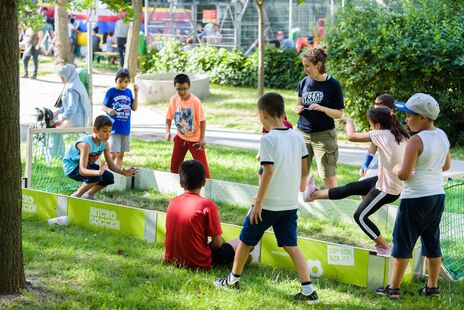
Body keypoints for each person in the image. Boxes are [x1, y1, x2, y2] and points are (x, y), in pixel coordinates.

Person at [214, 93, 319, 305]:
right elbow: (304, 164)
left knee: (244, 241)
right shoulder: (297, 137)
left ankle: (233, 281)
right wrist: (301, 185)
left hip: (267, 205)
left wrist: (258, 204)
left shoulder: (268, 139)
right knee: (291, 245)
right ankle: (308, 291)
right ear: (282, 112)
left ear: (263, 114)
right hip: (289, 205)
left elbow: (267, 173)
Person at [376, 93, 451, 299]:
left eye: (410, 115)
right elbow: (446, 165)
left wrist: (397, 167)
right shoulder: (442, 135)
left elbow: (405, 175)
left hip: (415, 198)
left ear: (423, 118)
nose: (406, 119)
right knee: (431, 242)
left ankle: (393, 289)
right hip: (437, 195)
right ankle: (432, 287)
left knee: (402, 243)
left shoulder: (416, 140)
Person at [305, 107, 409, 255]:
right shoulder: (400, 134)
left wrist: (348, 121)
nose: (370, 128)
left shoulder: (381, 134)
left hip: (387, 190)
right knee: (350, 188)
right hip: (382, 181)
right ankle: (313, 195)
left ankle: (385, 247)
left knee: (360, 216)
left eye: (371, 125)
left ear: (378, 126)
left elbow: (351, 136)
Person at [165, 160, 240, 269]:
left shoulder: (173, 202)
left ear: (181, 183)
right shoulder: (207, 205)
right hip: (198, 262)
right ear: (204, 182)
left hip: (171, 259)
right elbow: (217, 244)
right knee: (245, 243)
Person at [295, 47, 344, 189]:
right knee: (300, 173)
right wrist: (297, 109)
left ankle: (334, 209)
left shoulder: (333, 85)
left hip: (324, 136)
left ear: (318, 65)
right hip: (302, 134)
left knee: (327, 176)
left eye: (307, 66)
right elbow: (298, 105)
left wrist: (322, 108)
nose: (305, 69)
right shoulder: (304, 82)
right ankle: (299, 206)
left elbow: (339, 113)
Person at [63, 115, 138, 200]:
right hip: (72, 168)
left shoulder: (105, 144)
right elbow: (82, 170)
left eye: (110, 131)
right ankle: (76, 196)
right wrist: (97, 173)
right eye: (105, 131)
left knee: (109, 177)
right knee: (96, 176)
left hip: (86, 166)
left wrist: (123, 172)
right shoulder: (85, 145)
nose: (108, 135)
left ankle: (88, 195)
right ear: (95, 130)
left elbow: (111, 165)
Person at [165, 73, 210, 178]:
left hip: (195, 140)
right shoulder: (174, 100)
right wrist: (167, 132)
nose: (182, 92)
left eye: (184, 89)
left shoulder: (195, 102)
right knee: (175, 165)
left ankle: (207, 188)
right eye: (179, 89)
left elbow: (202, 121)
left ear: (189, 86)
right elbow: (168, 117)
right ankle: (177, 187)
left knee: (202, 167)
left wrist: (202, 138)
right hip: (180, 138)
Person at [102, 68, 139, 168]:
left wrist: (136, 93)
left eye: (126, 82)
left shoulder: (128, 92)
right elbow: (103, 106)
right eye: (120, 81)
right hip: (114, 128)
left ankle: (117, 175)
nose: (123, 84)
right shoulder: (111, 91)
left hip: (125, 129)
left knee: (121, 155)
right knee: (113, 154)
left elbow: (134, 108)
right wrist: (108, 110)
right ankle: (103, 172)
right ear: (116, 81)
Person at [360, 94, 397, 179]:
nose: (375, 114)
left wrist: (349, 122)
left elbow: (352, 137)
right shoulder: (379, 127)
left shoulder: (399, 129)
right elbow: (373, 146)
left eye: (379, 110)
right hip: (380, 163)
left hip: (393, 169)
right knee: (362, 182)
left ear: (391, 110)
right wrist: (365, 164)